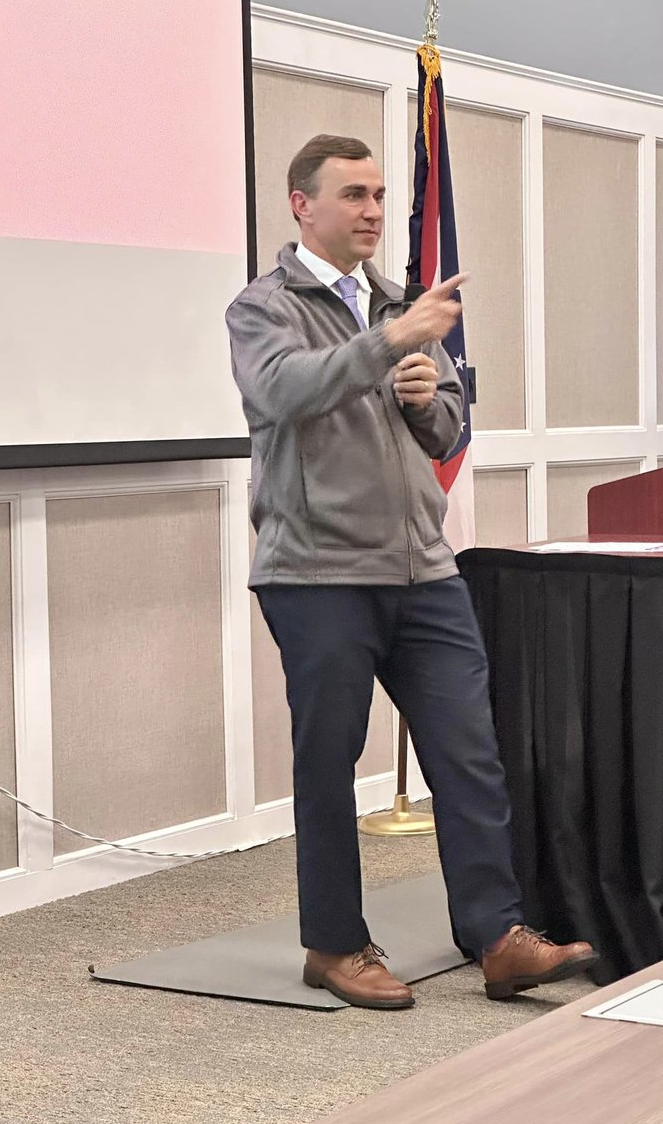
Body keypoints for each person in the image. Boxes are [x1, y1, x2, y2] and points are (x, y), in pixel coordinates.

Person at [226, 133, 597, 1009]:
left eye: (381, 195)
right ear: (300, 204)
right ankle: (334, 946)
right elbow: (283, 392)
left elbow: (449, 428)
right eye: (353, 195)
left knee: (469, 754)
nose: (374, 212)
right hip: (317, 574)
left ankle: (498, 935)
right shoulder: (263, 307)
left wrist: (432, 402)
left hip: (423, 571)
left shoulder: (401, 300)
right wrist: (388, 340)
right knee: (329, 763)